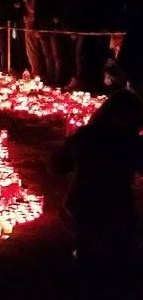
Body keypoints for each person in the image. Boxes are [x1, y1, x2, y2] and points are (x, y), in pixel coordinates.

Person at [51, 90, 143, 283]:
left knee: (90, 232)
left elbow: (57, 166)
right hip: (118, 208)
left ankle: (82, 258)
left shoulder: (86, 135)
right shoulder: (133, 143)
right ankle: (116, 267)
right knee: (120, 236)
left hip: (79, 205)